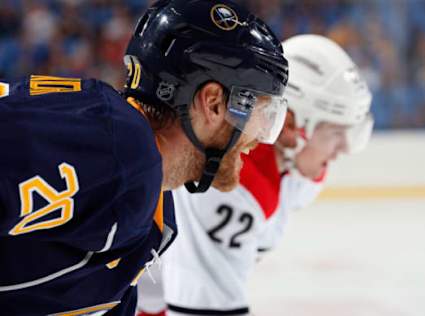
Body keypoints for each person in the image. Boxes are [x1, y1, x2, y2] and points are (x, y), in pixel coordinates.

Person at [0, 1, 288, 315]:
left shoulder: (152, 213)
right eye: (259, 114)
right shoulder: (119, 148)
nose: (258, 138)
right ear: (214, 103)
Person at [136, 34, 373, 316]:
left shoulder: (300, 171)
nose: (343, 149)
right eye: (336, 133)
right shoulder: (229, 182)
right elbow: (203, 309)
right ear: (291, 124)